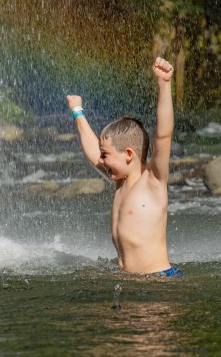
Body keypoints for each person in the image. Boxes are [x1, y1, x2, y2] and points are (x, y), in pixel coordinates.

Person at [65, 57, 181, 277]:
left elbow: (163, 135)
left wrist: (164, 85)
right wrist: (77, 111)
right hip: (130, 279)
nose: (101, 160)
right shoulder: (119, 180)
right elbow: (92, 153)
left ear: (128, 154)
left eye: (106, 155)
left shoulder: (153, 181)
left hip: (159, 280)